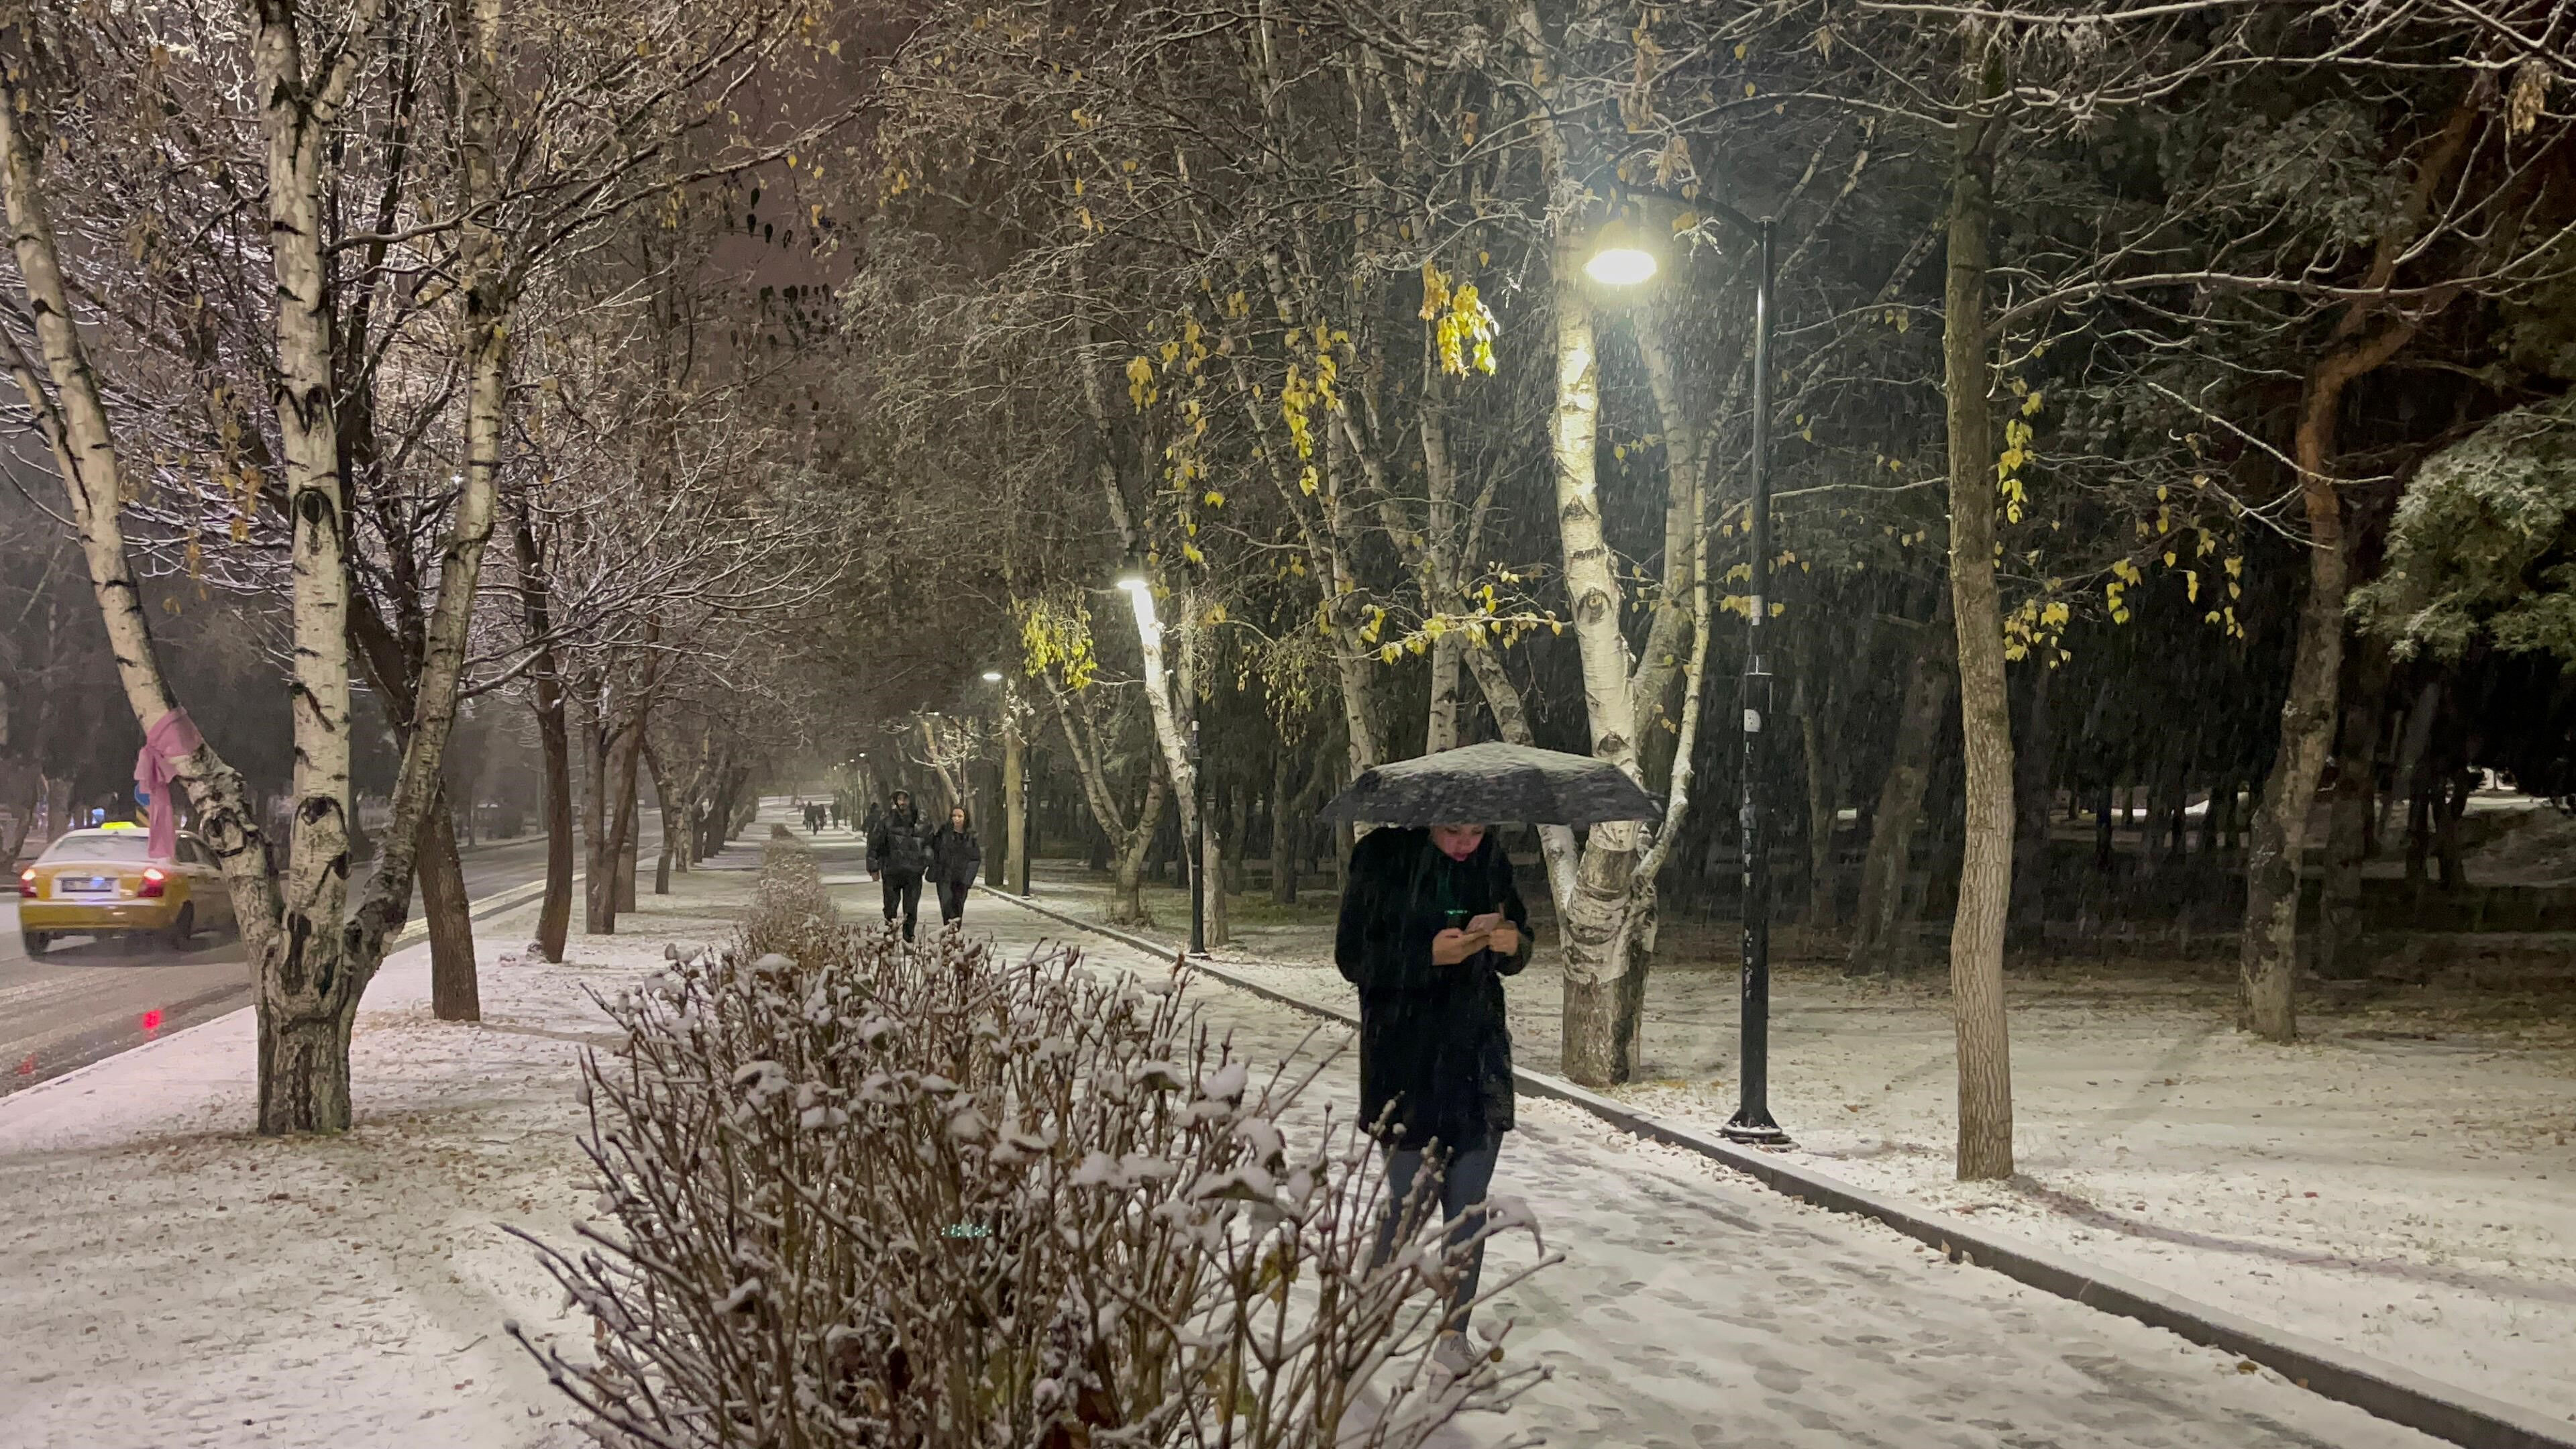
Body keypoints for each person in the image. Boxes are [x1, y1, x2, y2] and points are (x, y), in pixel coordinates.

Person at [1333, 821, 1529, 1377]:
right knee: (1406, 1205)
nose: (1466, 842)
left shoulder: (1490, 859)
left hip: (1477, 1059)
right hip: (1406, 1059)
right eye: (1452, 831)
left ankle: (1454, 1330)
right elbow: (1353, 958)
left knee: (1468, 1206)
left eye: (1476, 829)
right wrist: (1426, 957)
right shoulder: (1381, 857)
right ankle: (1368, 1315)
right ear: (1426, 819)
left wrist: (1514, 945)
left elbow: (1516, 937)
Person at [866, 790, 933, 942]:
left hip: (914, 872)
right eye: (899, 799)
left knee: (911, 907)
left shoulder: (922, 821)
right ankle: (890, 936)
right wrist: (873, 867)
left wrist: (927, 860)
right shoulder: (887, 820)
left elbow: (930, 843)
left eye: (905, 799)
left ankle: (909, 937)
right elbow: (875, 844)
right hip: (891, 871)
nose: (902, 802)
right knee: (890, 907)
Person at [928, 805, 983, 926]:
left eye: (960, 816)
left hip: (961, 880)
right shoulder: (943, 833)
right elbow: (934, 851)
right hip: (945, 878)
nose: (957, 819)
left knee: (958, 909)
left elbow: (975, 859)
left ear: (966, 818)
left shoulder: (970, 837)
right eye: (954, 816)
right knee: (946, 906)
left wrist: (967, 880)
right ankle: (948, 933)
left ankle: (955, 936)